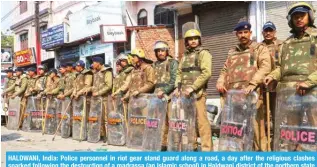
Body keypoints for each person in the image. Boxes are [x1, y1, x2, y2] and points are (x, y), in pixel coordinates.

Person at [264, 2, 317, 151]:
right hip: (289, 93)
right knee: (293, 133)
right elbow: (281, 67)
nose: (299, 19)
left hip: (312, 92)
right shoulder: (287, 43)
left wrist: (308, 82)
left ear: (310, 16)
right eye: (295, 17)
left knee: (314, 132)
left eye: (302, 16)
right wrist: (272, 75)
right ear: (291, 20)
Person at [216, 21, 271, 151]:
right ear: (237, 35)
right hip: (235, 98)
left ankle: (261, 157)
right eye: (240, 33)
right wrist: (220, 81)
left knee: (257, 130)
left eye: (245, 32)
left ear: (250, 33)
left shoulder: (259, 48)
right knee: (237, 131)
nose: (243, 35)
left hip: (253, 96)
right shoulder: (232, 52)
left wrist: (253, 83)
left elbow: (265, 67)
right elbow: (225, 70)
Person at [174, 22, 213, 151]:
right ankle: (192, 146)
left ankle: (207, 149)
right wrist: (177, 88)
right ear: (186, 41)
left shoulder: (203, 53)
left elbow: (206, 73)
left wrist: (193, 87)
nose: (193, 41)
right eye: (190, 39)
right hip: (185, 95)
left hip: (198, 94)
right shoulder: (184, 56)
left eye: (195, 38)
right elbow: (179, 73)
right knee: (189, 122)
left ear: (199, 39)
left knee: (202, 122)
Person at [152, 41, 178, 151]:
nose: (160, 53)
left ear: (166, 51)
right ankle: (163, 144)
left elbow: (174, 80)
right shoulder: (154, 64)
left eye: (162, 51)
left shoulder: (172, 62)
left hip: (169, 96)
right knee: (160, 121)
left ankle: (175, 144)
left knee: (172, 120)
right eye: (158, 51)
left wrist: (165, 91)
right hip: (157, 97)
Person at [91, 57, 113, 142]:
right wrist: (89, 89)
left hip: (105, 98)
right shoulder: (96, 73)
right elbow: (95, 86)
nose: (92, 64)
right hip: (96, 99)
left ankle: (108, 136)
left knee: (105, 118)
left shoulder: (107, 71)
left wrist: (98, 93)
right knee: (98, 118)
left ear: (98, 63)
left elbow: (108, 85)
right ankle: (101, 134)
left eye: (94, 62)